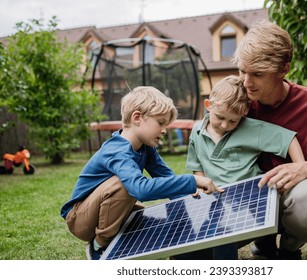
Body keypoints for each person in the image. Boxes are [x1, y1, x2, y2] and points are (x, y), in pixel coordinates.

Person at [231, 19, 307, 259]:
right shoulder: (235, 101)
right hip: (245, 197)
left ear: (284, 69)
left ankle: (289, 247)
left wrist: (306, 169)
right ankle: (262, 240)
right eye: (242, 71)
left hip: (295, 198)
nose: (246, 83)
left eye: (257, 74)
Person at [60, 86, 223, 260]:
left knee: (150, 219)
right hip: (80, 220)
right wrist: (191, 180)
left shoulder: (146, 148)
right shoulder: (116, 151)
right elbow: (140, 190)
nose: (164, 130)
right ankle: (100, 245)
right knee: (125, 184)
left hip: (108, 212)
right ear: (137, 118)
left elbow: (167, 178)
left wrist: (195, 207)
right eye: (160, 122)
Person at [175, 75, 305, 260]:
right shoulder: (196, 131)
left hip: (250, 199)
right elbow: (197, 163)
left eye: (233, 121)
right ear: (208, 105)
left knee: (222, 240)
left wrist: (299, 167)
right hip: (217, 199)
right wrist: (201, 185)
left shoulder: (251, 129)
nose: (225, 125)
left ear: (244, 115)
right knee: (186, 254)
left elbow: (288, 139)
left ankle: (264, 242)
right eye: (220, 117)